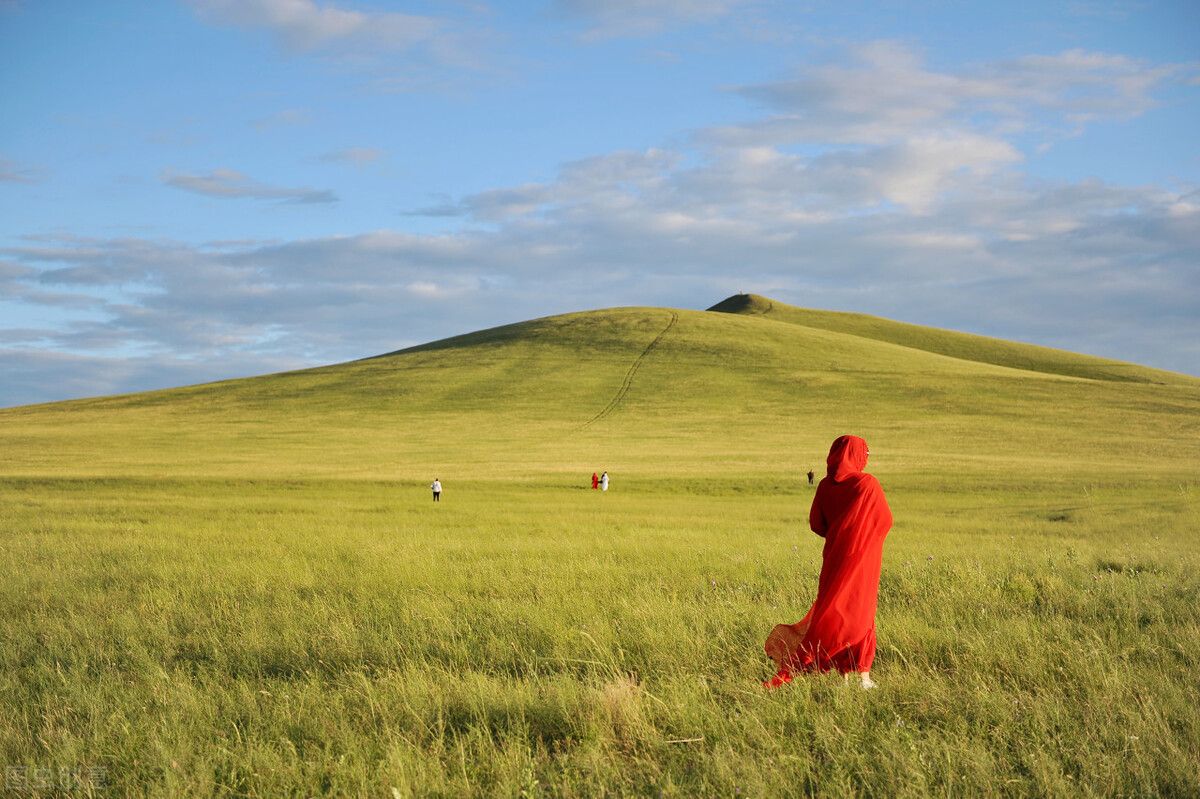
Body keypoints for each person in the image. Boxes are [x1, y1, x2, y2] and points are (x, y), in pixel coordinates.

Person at [764, 435, 893, 690]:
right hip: (863, 559)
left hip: (833, 558)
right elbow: (885, 521)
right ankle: (862, 676)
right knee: (860, 611)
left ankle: (843, 675)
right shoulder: (868, 484)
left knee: (834, 610)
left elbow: (817, 524)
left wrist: (838, 535)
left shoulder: (824, 486)